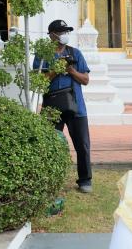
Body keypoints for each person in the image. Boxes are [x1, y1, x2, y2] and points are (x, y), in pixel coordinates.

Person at [33, 19, 93, 193]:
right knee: (49, 144)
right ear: (52, 35)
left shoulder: (75, 53)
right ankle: (49, 181)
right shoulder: (42, 56)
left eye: (66, 32)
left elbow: (86, 80)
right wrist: (55, 70)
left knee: (83, 145)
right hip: (52, 107)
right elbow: (38, 82)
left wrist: (71, 70)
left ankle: (85, 180)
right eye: (61, 32)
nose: (64, 35)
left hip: (76, 106)